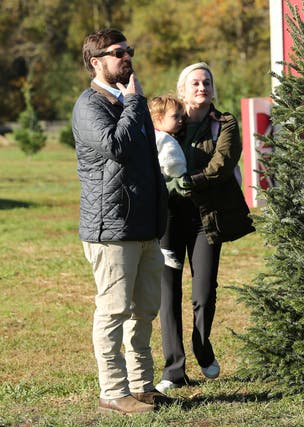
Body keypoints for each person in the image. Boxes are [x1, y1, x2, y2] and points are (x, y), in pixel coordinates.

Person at [72, 28, 170, 414]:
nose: (127, 57)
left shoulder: (133, 101)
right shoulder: (90, 106)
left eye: (129, 51)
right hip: (110, 227)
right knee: (113, 310)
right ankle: (113, 391)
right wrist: (133, 103)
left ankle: (142, 385)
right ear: (96, 62)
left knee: (144, 309)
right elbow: (117, 148)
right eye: (118, 52)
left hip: (144, 225)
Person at [155, 62, 255, 393]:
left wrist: (187, 181)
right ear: (183, 89)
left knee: (204, 291)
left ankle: (202, 346)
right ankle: (174, 369)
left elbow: (222, 165)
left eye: (207, 82)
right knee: (168, 292)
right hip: (168, 218)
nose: (202, 87)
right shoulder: (170, 119)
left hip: (206, 219)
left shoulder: (224, 123)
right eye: (195, 83)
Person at [148, 95, 189, 269]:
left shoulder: (149, 136)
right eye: (175, 117)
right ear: (158, 118)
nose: (180, 121)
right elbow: (173, 164)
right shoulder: (165, 139)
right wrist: (182, 175)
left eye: (182, 117)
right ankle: (164, 251)